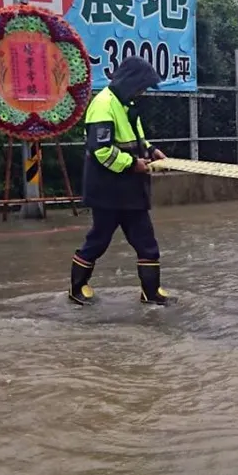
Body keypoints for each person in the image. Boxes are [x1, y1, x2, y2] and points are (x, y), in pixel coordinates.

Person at [69, 56, 174, 306]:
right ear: (131, 81)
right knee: (98, 240)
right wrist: (132, 164)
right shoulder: (103, 105)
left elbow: (136, 138)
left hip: (131, 190)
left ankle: (151, 292)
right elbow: (102, 151)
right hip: (107, 190)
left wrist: (151, 151)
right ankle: (77, 287)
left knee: (146, 241)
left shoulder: (128, 104)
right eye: (143, 85)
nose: (143, 91)